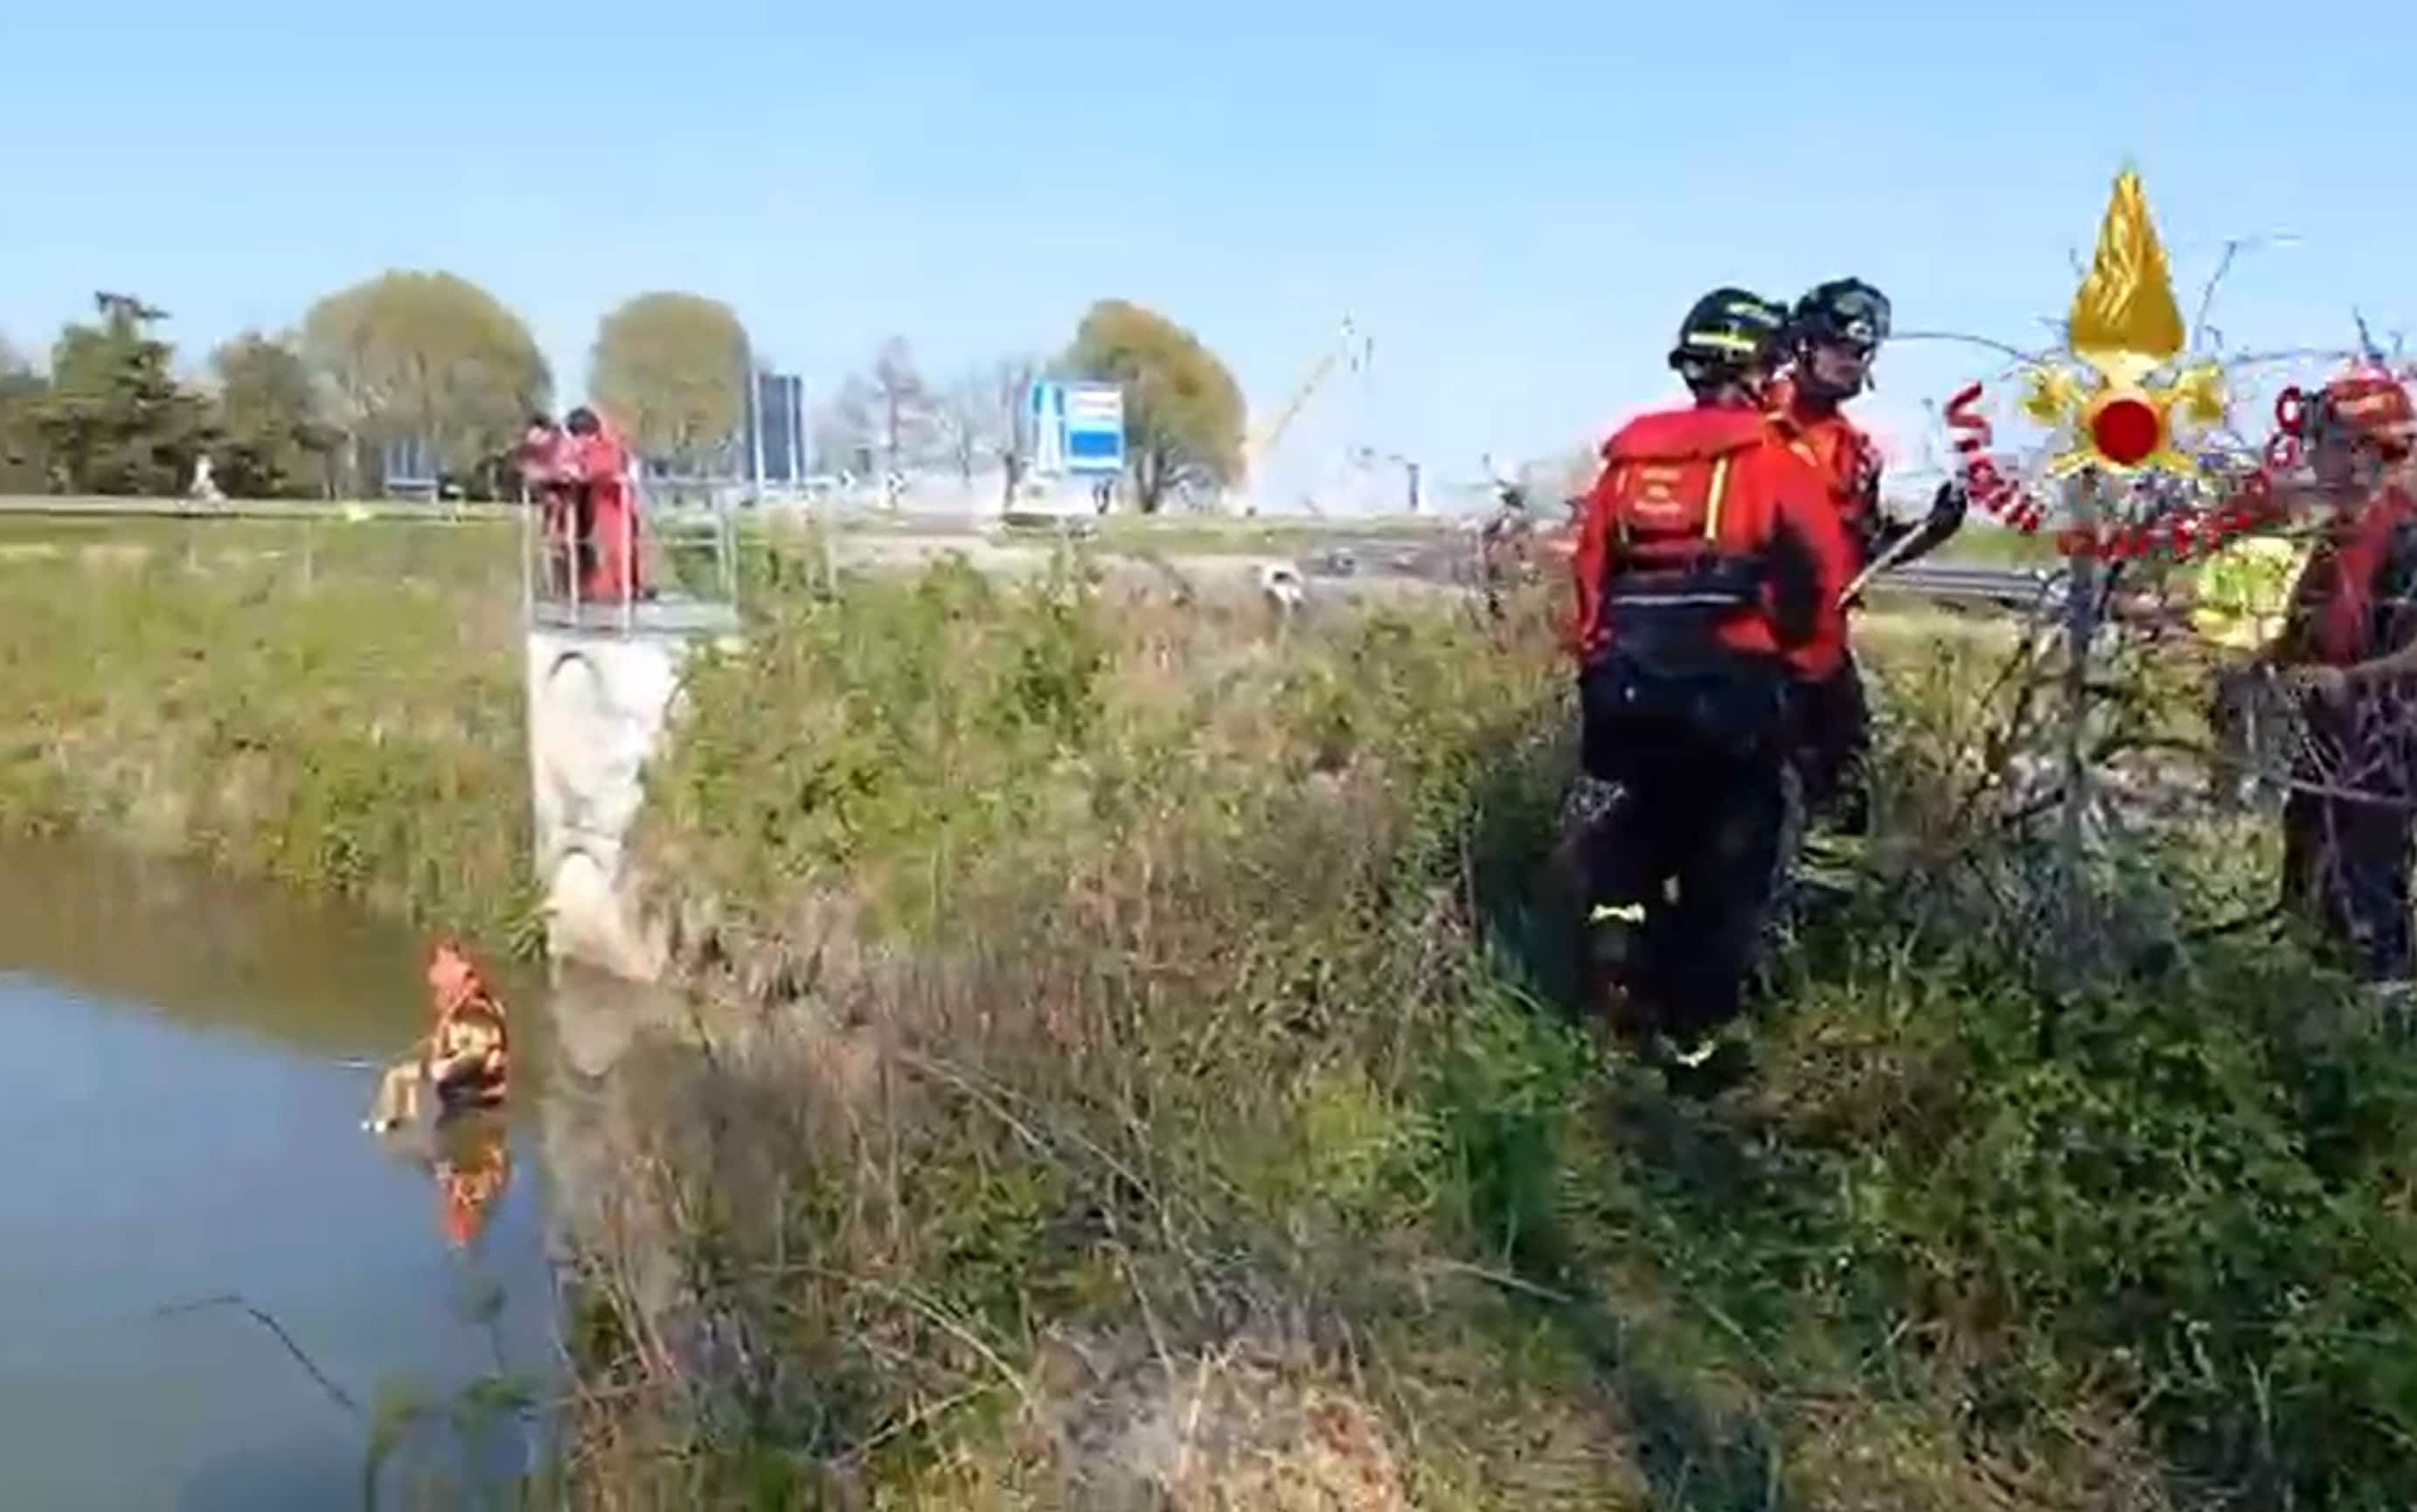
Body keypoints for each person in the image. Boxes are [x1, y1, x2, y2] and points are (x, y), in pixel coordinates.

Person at [1567, 288, 1856, 1081]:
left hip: (1625, 697)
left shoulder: (1624, 469)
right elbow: (1817, 591)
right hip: (1728, 700)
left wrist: (1599, 664)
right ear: (1760, 369)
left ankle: (1616, 919)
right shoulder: (1772, 465)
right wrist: (1808, 682)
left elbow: (1590, 583)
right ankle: (1696, 1050)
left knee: (1646, 820)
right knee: (1727, 872)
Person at [1766, 279, 1966, 837]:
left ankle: (1827, 916)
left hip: (1822, 653)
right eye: (1841, 348)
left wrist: (1928, 532)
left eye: (1864, 352)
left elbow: (1858, 556)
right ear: (1802, 344)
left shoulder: (1856, 449)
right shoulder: (1752, 422)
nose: (1854, 362)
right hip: (1748, 647)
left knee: (1846, 799)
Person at [2261, 364, 2417, 986]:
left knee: (2366, 869)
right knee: (2308, 853)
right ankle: (2316, 1000)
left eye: (2322, 442)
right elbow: (2298, 634)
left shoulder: (2407, 533)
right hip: (2334, 730)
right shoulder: (2338, 535)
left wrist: (2349, 681)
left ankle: (2385, 1015)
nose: (2311, 457)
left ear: (2359, 450)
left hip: (2392, 731)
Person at [565, 406, 644, 602]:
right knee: (608, 552)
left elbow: (605, 468)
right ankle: (607, 590)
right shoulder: (589, 448)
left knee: (620, 552)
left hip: (617, 508)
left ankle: (623, 590)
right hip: (602, 508)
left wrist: (581, 472)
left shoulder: (606, 446)